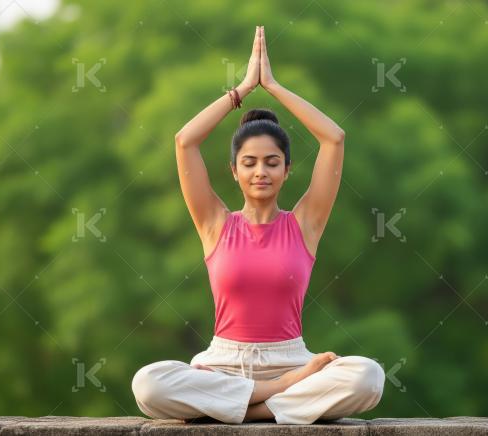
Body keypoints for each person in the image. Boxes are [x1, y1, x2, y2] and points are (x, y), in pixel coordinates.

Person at [131, 25, 384, 425]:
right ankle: (274, 401)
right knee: (148, 384)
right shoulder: (215, 224)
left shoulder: (305, 224)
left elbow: (334, 138)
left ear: (287, 170)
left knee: (368, 377)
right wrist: (244, 88)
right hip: (223, 362)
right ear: (233, 171)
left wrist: (275, 86)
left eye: (272, 162)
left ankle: (248, 408)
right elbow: (185, 141)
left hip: (291, 359)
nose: (260, 171)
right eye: (249, 163)